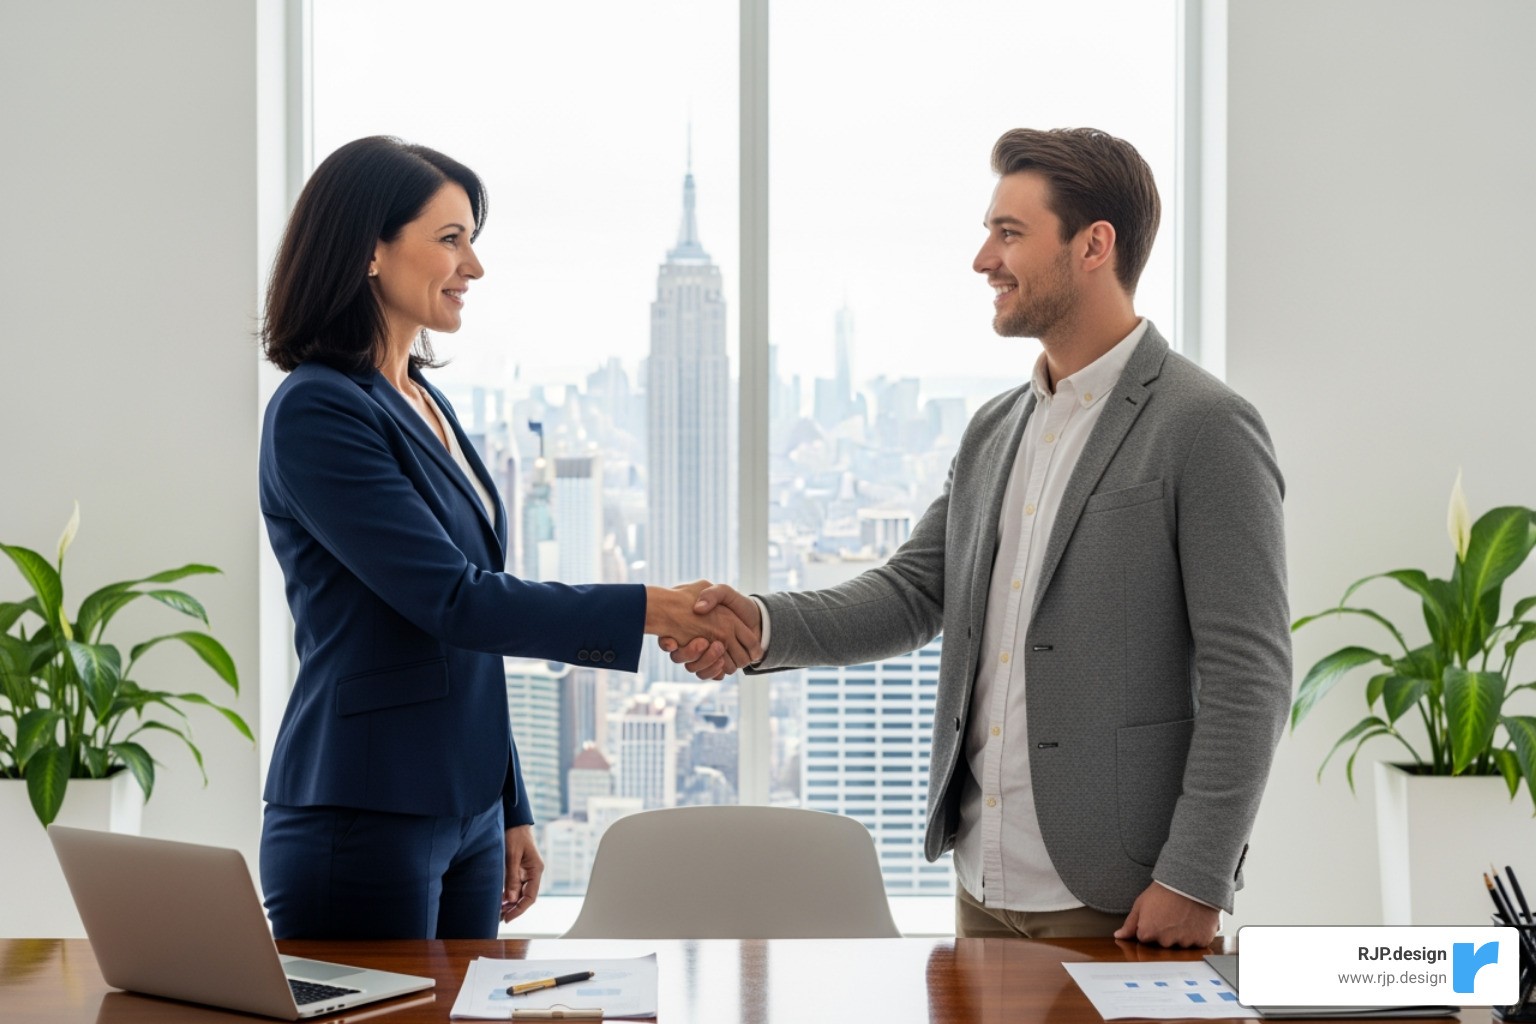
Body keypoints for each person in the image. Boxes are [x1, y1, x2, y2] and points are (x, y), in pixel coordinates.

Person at [667, 128, 1291, 947]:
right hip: (981, 882)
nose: (981, 260)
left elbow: (1252, 673)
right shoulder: (996, 429)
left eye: (1009, 233)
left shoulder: (1204, 426)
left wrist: (1195, 875)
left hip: (1124, 896)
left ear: (1094, 245)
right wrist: (760, 624)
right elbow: (913, 593)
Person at [258, 136, 747, 940]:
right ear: (370, 252)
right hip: (364, 809)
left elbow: (470, 639)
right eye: (450, 240)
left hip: (469, 814)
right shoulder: (318, 411)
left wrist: (508, 801)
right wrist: (655, 608)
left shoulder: (424, 400)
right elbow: (454, 601)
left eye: (471, 241)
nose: (473, 267)